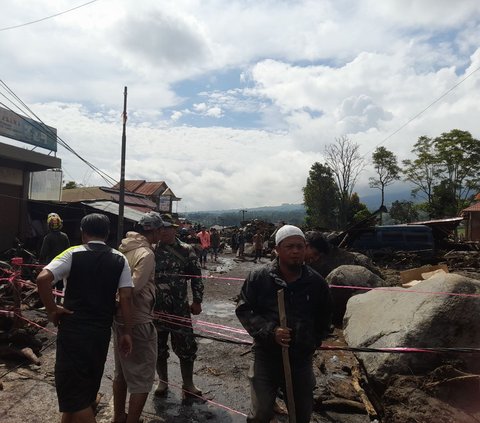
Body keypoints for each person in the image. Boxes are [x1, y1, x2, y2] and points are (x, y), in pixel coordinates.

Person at [36, 213, 134, 423]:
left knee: (75, 396)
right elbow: (126, 297)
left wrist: (52, 310)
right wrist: (127, 332)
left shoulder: (72, 254)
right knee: (83, 391)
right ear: (107, 234)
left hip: (73, 332)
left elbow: (43, 279)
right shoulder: (120, 258)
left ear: (82, 233)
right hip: (100, 333)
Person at [236, 225, 333, 423]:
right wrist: (271, 332)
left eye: (300, 246)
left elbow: (325, 320)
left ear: (305, 248)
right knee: (262, 412)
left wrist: (309, 342)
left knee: (301, 415)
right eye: (289, 247)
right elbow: (244, 310)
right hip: (266, 356)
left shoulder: (316, 283)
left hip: (300, 360)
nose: (295, 251)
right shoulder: (259, 278)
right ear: (277, 249)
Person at [112, 212, 165, 423]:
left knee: (122, 372)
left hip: (119, 318)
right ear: (155, 230)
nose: (162, 232)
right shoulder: (146, 254)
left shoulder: (122, 249)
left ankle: (119, 417)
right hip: (138, 320)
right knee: (143, 377)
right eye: (161, 229)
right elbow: (132, 288)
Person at [154, 214, 204, 398]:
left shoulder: (186, 250)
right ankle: (163, 382)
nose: (165, 231)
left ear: (175, 229)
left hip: (180, 309)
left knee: (187, 347)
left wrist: (197, 301)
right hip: (156, 310)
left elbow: (196, 278)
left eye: (168, 227)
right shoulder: (150, 250)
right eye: (161, 228)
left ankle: (188, 384)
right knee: (158, 348)